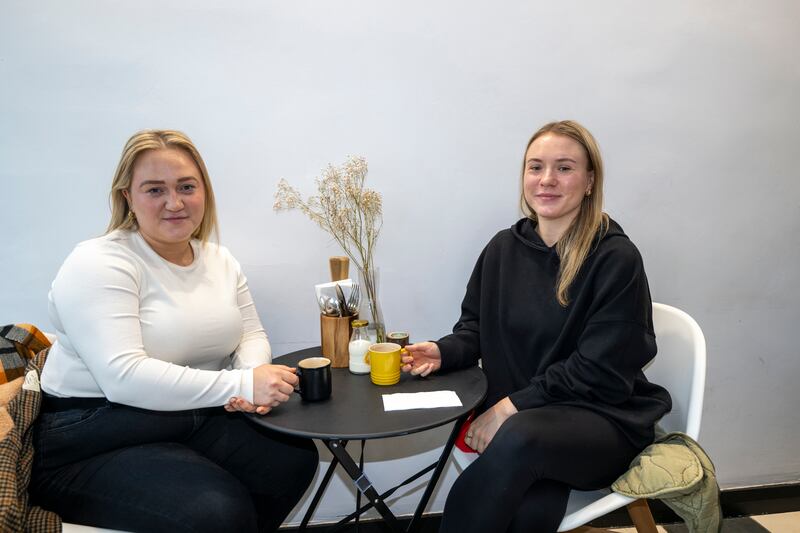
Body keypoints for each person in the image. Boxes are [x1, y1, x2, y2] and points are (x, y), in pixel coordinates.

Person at [30, 130, 319, 533]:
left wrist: (251, 380)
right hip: (94, 433)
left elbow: (250, 334)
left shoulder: (219, 259)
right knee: (216, 512)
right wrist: (239, 383)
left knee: (291, 458)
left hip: (191, 415)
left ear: (205, 191)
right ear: (127, 197)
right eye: (154, 189)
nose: (174, 202)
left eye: (187, 186)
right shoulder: (98, 263)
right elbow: (123, 378)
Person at [402, 120, 672, 533]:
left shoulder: (615, 258)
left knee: (522, 437)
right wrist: (443, 351)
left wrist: (510, 409)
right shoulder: (501, 249)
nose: (546, 180)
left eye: (564, 168)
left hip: (601, 421)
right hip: (531, 427)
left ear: (588, 181)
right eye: (535, 167)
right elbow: (475, 327)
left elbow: (599, 369)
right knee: (527, 513)